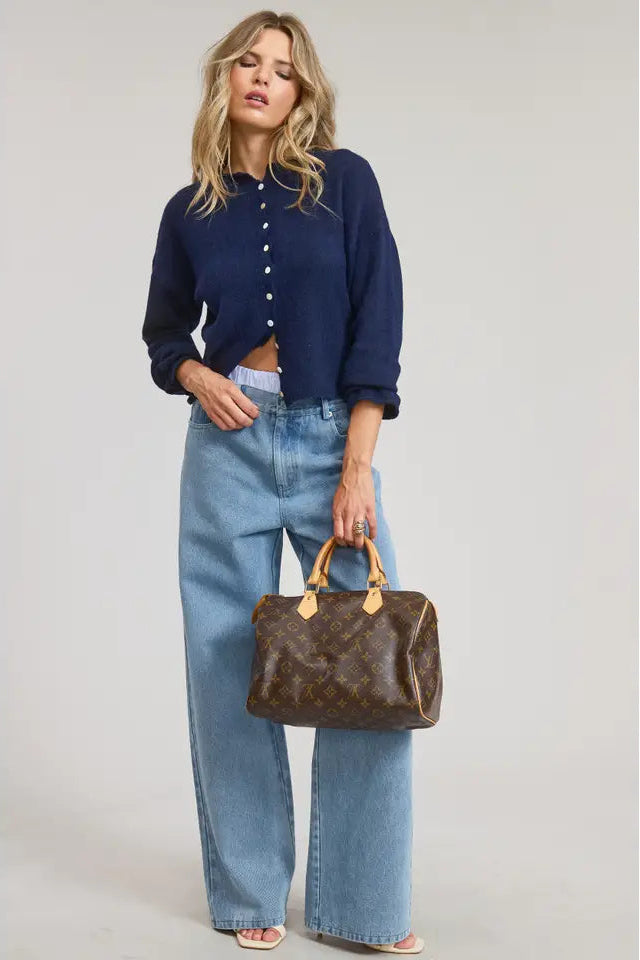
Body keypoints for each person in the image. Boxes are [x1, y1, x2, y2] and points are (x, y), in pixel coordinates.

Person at [141, 11, 424, 956]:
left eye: (284, 70)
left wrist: (357, 466)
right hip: (225, 446)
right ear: (225, 79)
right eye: (249, 64)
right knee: (224, 663)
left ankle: (363, 908)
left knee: (372, 661)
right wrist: (194, 373)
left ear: (304, 94)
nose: (265, 79)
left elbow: (377, 323)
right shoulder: (190, 212)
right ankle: (248, 889)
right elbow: (164, 335)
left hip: (324, 440)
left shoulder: (344, 184)